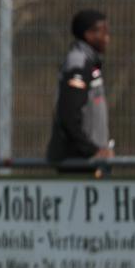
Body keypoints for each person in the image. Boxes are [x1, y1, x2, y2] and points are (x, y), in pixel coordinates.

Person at [46, 10, 114, 174]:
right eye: (103, 31)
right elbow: (68, 114)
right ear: (89, 34)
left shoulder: (90, 61)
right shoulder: (78, 62)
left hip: (89, 161)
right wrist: (91, 150)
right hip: (79, 162)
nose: (107, 37)